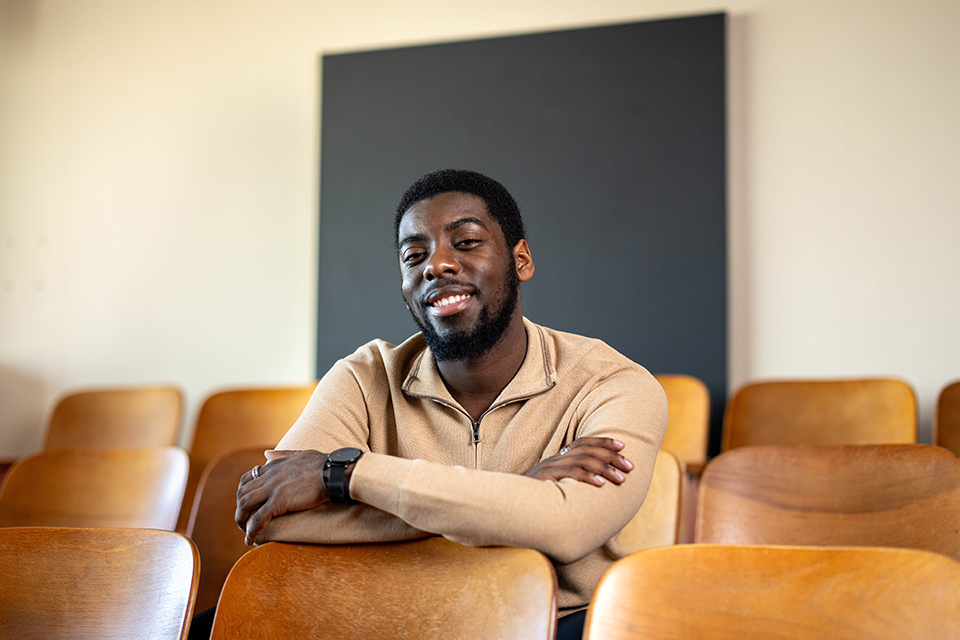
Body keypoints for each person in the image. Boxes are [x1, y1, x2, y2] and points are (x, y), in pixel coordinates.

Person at [232, 169, 668, 640]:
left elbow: (564, 526)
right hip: (400, 625)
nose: (436, 265)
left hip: (554, 626)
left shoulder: (613, 383)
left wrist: (347, 475)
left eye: (465, 242)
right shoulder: (363, 377)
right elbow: (274, 515)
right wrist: (515, 494)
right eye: (414, 255)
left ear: (520, 260)